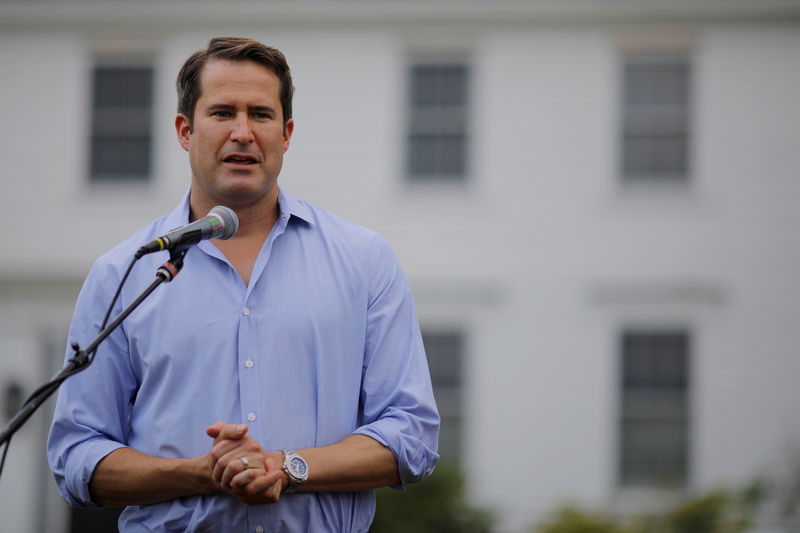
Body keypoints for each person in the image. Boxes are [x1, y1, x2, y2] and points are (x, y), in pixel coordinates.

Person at [47, 36, 440, 532]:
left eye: (260, 113)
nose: (242, 132)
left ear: (287, 132)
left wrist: (287, 467)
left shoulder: (363, 260)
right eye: (222, 113)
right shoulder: (125, 271)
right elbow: (77, 455)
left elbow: (413, 436)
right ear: (184, 130)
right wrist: (200, 474)